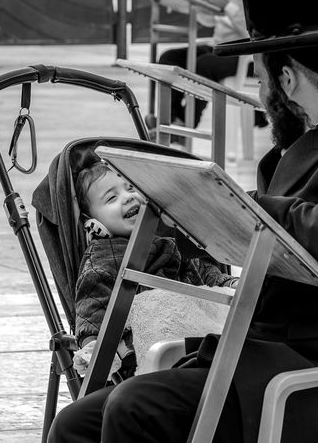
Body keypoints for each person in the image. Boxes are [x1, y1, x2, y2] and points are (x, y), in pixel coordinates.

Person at [48, 0, 318, 443]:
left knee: (136, 407)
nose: (259, 92)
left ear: (287, 78)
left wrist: (229, 205)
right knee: (76, 426)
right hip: (263, 357)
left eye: (259, 78)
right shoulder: (287, 155)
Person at [72, 159, 237, 378]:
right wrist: (93, 345)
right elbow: (92, 306)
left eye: (132, 188)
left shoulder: (171, 240)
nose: (128, 197)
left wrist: (232, 284)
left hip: (198, 337)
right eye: (111, 198)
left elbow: (207, 275)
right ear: (92, 222)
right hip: (144, 352)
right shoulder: (100, 258)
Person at [157, 0, 269, 129]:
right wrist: (197, 5)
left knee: (204, 64)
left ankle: (187, 124)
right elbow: (213, 21)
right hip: (221, 46)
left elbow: (259, 30)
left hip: (249, 54)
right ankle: (169, 120)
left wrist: (226, 5)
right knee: (169, 58)